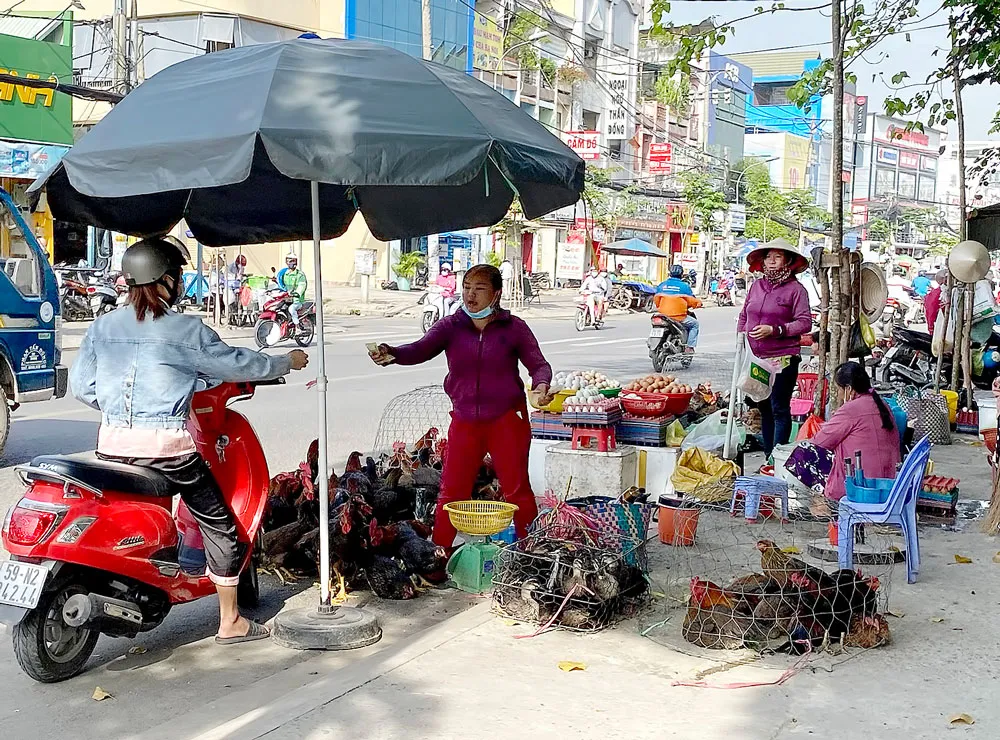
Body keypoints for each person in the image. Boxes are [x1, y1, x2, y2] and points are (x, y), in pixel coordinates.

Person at [69, 237, 309, 643]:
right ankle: (231, 621)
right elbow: (237, 362)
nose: (180, 283)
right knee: (219, 523)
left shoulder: (102, 326)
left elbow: (81, 386)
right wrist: (287, 360)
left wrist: (120, 412)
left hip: (112, 446)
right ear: (165, 281)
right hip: (167, 451)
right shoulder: (185, 330)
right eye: (177, 277)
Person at [369, 264, 553, 549]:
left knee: (517, 491)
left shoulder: (513, 327)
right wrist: (391, 353)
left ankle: (532, 553)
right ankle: (438, 556)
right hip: (465, 421)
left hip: (507, 419)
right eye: (466, 287)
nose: (470, 295)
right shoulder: (451, 326)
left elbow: (539, 365)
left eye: (479, 289)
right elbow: (419, 349)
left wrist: (540, 387)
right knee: (450, 493)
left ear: (496, 294)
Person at [737, 239, 812, 458]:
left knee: (779, 407)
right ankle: (768, 455)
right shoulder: (756, 286)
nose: (771, 261)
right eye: (769, 256)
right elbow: (744, 314)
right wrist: (741, 337)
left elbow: (805, 323)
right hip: (756, 358)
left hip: (784, 357)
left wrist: (775, 330)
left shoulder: (796, 290)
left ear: (788, 262)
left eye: (777, 257)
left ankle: (777, 457)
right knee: (763, 407)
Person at [812, 362, 900, 502]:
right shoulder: (881, 403)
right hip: (889, 482)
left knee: (806, 454)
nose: (839, 395)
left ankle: (824, 503)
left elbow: (819, 442)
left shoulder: (851, 409)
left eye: (839, 390)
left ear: (849, 389)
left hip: (864, 485)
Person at [655, 264, 700, 351]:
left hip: (662, 315)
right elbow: (692, 301)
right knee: (695, 324)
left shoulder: (662, 285)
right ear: (681, 275)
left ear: (670, 274)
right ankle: (689, 348)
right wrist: (698, 304)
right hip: (678, 316)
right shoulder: (684, 287)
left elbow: (656, 300)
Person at [282, 252, 307, 326]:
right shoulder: (285, 274)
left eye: (292, 261)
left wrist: (297, 293)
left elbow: (302, 285)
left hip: (297, 300)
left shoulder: (300, 275)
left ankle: (297, 326)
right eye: (289, 261)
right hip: (286, 299)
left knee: (291, 309)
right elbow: (282, 285)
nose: (290, 263)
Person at [925, 268, 948, 335]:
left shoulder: (952, 291)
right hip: (941, 324)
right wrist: (931, 327)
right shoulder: (937, 293)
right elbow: (931, 311)